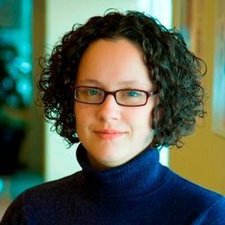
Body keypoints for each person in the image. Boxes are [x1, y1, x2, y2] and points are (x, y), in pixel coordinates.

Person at [1, 10, 225, 225]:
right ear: (71, 101)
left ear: (162, 106)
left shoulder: (207, 216)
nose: (107, 111)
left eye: (131, 93)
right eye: (92, 91)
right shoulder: (29, 213)